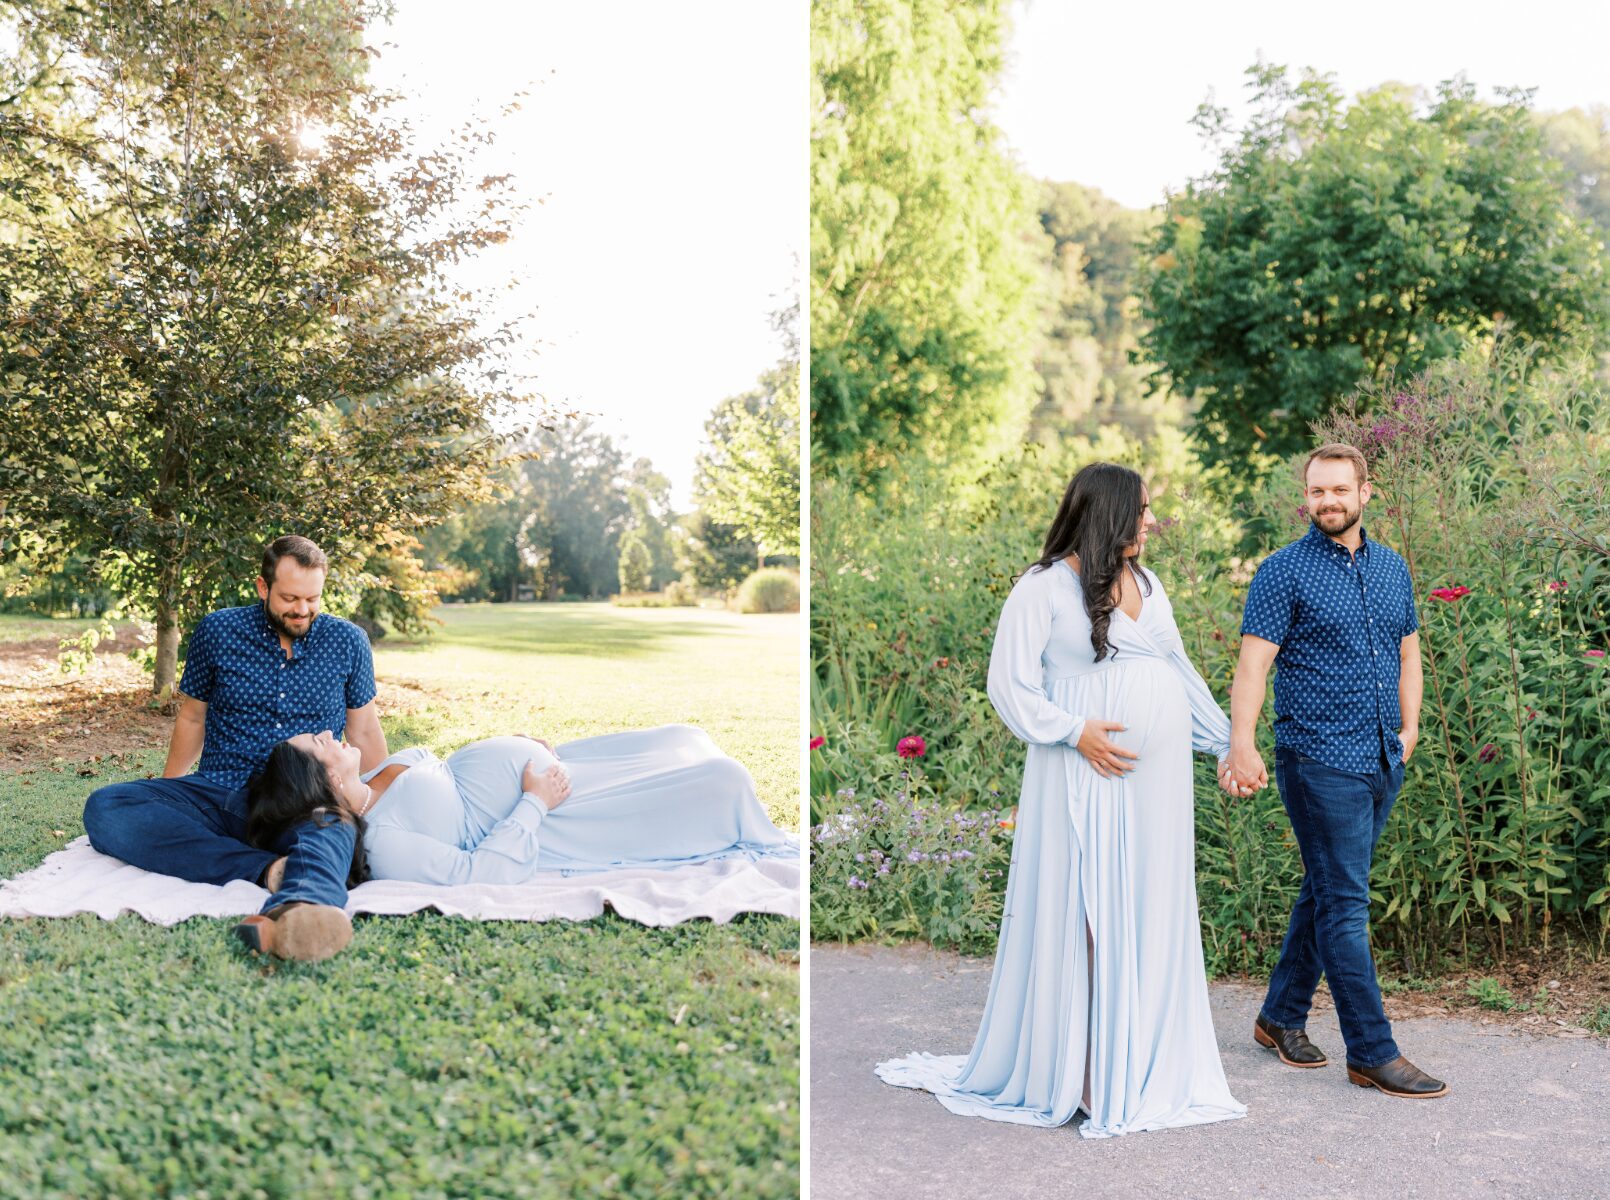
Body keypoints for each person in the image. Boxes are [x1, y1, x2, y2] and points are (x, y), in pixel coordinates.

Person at [875, 462, 1250, 1137]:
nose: (1150, 522)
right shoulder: (1043, 589)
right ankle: (1075, 1067)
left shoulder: (1148, 584)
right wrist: (1074, 731)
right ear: (1105, 513)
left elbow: (1177, 669)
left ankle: (1138, 1062)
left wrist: (1226, 743)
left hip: (1153, 785)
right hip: (1081, 772)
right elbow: (1010, 686)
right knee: (1084, 903)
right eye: (1139, 511)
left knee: (1146, 904)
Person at [1224, 443, 1446, 1099]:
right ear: (1308, 497)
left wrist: (1409, 730)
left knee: (1325, 891)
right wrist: (1243, 743)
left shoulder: (1393, 569)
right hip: (1317, 759)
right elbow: (1252, 668)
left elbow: (1409, 654)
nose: (1327, 501)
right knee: (1346, 906)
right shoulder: (1281, 572)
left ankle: (1279, 1016)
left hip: (1381, 757)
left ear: (1364, 493)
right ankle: (1373, 1052)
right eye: (1317, 491)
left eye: (1338, 491)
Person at [83, 535, 384, 962]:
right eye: (290, 597)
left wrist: (378, 801)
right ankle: (267, 870)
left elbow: (366, 730)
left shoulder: (348, 641)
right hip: (218, 791)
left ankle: (301, 911)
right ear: (263, 588)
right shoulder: (218, 631)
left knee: (333, 826)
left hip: (299, 800)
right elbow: (192, 717)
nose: (302, 609)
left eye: (313, 598)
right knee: (106, 807)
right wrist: (172, 795)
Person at [242, 725, 798, 887]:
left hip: (564, 768)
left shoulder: (377, 775)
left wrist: (522, 748)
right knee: (724, 779)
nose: (324, 732)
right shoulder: (383, 841)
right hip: (561, 817)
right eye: (316, 745)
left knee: (687, 735)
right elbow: (482, 873)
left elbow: (455, 773)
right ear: (321, 781)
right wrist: (534, 801)